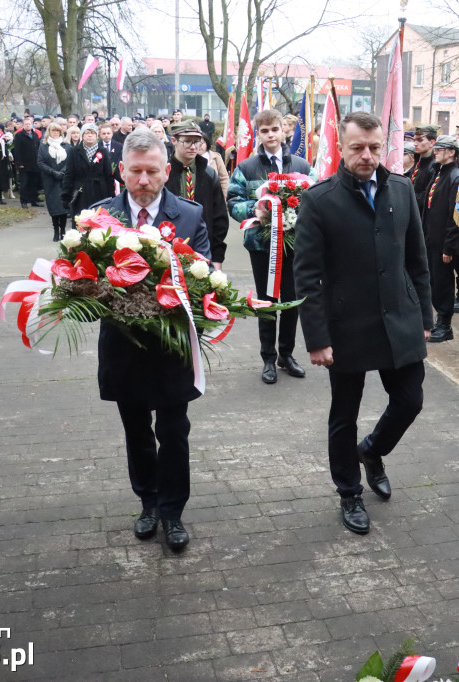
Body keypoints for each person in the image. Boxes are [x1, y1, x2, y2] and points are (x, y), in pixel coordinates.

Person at [293, 111, 432, 535]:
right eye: (357, 148)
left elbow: (417, 259)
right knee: (344, 415)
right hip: (346, 326)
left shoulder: (403, 190)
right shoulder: (319, 199)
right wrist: (317, 338)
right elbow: (307, 275)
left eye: (374, 148)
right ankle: (349, 492)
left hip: (399, 320)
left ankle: (372, 451)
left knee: (410, 401)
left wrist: (425, 314)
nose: (367, 156)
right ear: (342, 148)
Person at [91, 126, 211, 551]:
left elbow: (203, 278)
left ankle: (174, 512)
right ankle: (148, 503)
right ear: (121, 171)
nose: (144, 182)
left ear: (166, 172)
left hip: (172, 349)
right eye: (136, 172)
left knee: (175, 432)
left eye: (153, 172)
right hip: (123, 350)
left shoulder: (191, 216)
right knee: (136, 431)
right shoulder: (99, 218)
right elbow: (83, 283)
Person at [227, 108, 313, 384]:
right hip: (262, 246)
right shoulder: (247, 168)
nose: (270, 135)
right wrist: (257, 209)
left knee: (291, 301)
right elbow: (233, 202)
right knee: (267, 302)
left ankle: (286, 355)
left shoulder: (301, 166)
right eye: (264, 131)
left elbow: (317, 199)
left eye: (274, 129)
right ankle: (267, 357)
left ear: (283, 130)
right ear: (258, 134)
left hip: (295, 246)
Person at [166, 121, 229, 269]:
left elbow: (219, 217)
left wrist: (217, 257)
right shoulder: (163, 173)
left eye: (197, 141)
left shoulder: (209, 174)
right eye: (187, 141)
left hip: (203, 249)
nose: (193, 147)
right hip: (169, 249)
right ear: (174, 140)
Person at [420, 135, 459, 343]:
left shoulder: (455, 176)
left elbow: (454, 216)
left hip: (443, 243)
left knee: (443, 283)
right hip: (431, 238)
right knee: (434, 282)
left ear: (452, 152)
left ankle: (445, 324)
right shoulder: (438, 172)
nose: (435, 152)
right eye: (435, 148)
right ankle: (439, 321)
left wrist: (449, 246)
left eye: (440, 149)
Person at [61, 122, 116, 218]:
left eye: (93, 133)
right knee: (81, 222)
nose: (90, 135)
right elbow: (69, 174)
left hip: (100, 193)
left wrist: (111, 196)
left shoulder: (103, 151)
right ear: (82, 135)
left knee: (98, 222)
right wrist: (66, 194)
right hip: (81, 193)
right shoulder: (74, 151)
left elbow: (108, 175)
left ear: (96, 136)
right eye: (87, 133)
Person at [37, 122, 72, 242]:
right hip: (50, 180)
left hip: (63, 179)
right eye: (53, 131)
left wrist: (62, 172)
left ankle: (63, 230)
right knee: (53, 206)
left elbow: (70, 161)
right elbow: (40, 162)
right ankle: (55, 230)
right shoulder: (43, 146)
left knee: (62, 207)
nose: (55, 133)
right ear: (49, 132)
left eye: (57, 131)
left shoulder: (66, 146)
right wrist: (53, 172)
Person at [13, 115, 43, 208]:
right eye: (26, 124)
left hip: (35, 163)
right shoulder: (19, 135)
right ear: (23, 125)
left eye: (29, 124)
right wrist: (19, 163)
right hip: (24, 164)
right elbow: (17, 150)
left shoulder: (35, 135)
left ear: (32, 125)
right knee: (24, 183)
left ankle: (33, 200)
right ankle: (24, 201)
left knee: (34, 183)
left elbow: (38, 148)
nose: (27, 125)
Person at [406, 124, 438, 212]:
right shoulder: (418, 161)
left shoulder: (434, 167)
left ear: (432, 143)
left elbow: (427, 196)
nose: (415, 144)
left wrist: (406, 196)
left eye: (420, 140)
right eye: (414, 140)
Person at [198, 134, 229, 200]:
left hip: (214, 197)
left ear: (207, 143)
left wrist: (223, 197)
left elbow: (224, 178)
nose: (199, 146)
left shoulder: (216, 157)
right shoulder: (190, 158)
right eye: (196, 143)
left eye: (202, 143)